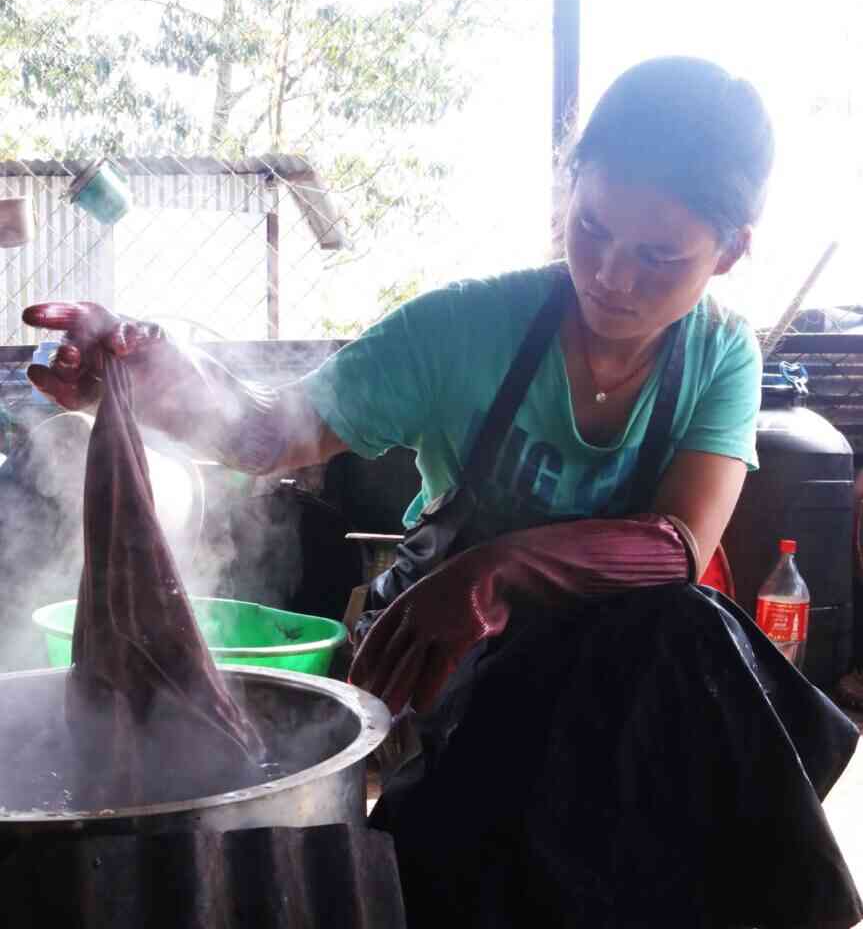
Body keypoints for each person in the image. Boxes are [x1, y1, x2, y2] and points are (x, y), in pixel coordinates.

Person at [23, 57, 862, 928]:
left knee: (692, 638)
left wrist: (492, 574)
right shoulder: (466, 327)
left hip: (619, 685)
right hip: (464, 678)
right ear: (567, 194)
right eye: (592, 229)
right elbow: (272, 433)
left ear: (728, 251)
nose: (611, 275)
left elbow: (678, 547)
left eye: (658, 256)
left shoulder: (719, 355)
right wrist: (144, 376)